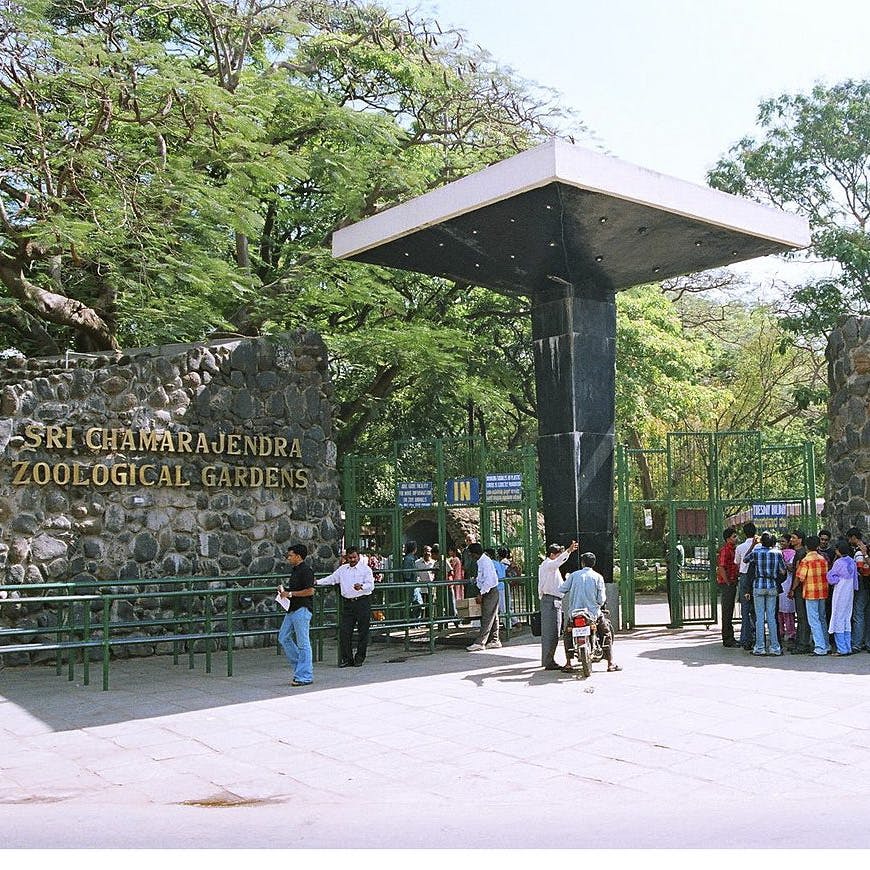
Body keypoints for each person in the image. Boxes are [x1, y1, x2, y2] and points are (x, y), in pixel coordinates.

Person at [558, 551, 620, 672]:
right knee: (605, 633)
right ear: (594, 563)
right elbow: (601, 599)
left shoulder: (574, 575)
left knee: (567, 634)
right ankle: (610, 663)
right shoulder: (598, 577)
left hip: (575, 614)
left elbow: (562, 589)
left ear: (582, 563)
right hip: (593, 614)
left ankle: (568, 663)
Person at [316, 546, 375, 667]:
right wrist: (318, 582)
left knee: (363, 631)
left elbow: (371, 585)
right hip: (348, 603)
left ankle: (359, 657)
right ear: (346, 557)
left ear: (358, 556)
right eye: (350, 557)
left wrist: (362, 586)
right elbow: (332, 579)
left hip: (362, 601)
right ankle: (347, 658)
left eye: (354, 557)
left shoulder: (366, 570)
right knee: (345, 631)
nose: (352, 559)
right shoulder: (342, 570)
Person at [276, 544, 316, 687]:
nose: (288, 558)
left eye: (290, 555)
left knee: (303, 642)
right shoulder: (295, 571)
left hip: (302, 609)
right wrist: (284, 591)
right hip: (293, 609)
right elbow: (296, 589)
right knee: (283, 637)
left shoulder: (306, 571)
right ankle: (301, 668)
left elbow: (310, 591)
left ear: (298, 556)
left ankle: (305, 675)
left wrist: (290, 593)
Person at [537, 540, 578, 670]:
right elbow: (558, 561)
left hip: (554, 601)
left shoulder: (551, 568)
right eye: (558, 554)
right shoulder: (549, 565)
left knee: (554, 632)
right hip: (550, 601)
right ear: (552, 554)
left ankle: (549, 659)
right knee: (551, 632)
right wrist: (569, 551)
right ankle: (548, 661)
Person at [746, 532, 786, 656]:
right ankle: (775, 647)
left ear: (761, 541)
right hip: (772, 585)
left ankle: (759, 647)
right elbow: (783, 570)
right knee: (771, 618)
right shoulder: (777, 553)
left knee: (759, 618)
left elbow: (745, 559)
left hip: (758, 585)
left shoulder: (756, 553)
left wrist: (754, 545)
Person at [792, 535, 830, 656]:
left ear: (806, 547)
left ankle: (819, 647)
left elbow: (800, 577)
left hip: (811, 593)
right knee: (822, 618)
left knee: (813, 620)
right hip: (823, 592)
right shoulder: (823, 559)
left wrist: (792, 589)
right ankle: (826, 644)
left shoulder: (805, 560)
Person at [465, 543, 501, 651]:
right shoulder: (481, 561)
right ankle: (495, 639)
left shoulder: (485, 562)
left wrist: (481, 593)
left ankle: (480, 642)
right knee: (493, 616)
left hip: (489, 591)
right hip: (489, 590)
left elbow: (488, 580)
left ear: (474, 553)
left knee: (487, 617)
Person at [827, 539, 858, 656]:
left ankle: (841, 649)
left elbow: (830, 577)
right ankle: (847, 647)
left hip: (840, 592)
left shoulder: (838, 562)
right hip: (849, 593)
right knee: (846, 618)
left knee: (838, 617)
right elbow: (855, 580)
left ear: (839, 550)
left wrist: (835, 580)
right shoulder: (852, 561)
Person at [734, 522, 759, 650]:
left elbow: (737, 562)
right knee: (757, 609)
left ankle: (745, 638)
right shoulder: (760, 546)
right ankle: (758, 637)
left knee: (745, 609)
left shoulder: (740, 547)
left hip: (744, 577)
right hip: (757, 577)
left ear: (744, 533)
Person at [716, 527, 740, 647]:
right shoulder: (725, 550)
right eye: (734, 536)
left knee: (730, 609)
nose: (736, 538)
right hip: (727, 584)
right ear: (727, 539)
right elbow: (721, 567)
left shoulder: (733, 550)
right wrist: (727, 582)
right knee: (727, 610)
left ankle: (729, 637)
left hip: (732, 581)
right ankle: (727, 638)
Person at [789, 530, 812, 654]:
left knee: (802, 617)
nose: (791, 540)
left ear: (800, 540)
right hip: (802, 587)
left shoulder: (800, 554)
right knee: (802, 616)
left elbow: (798, 574)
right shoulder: (800, 553)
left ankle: (802, 644)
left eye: (794, 537)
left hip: (800, 588)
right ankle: (800, 642)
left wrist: (792, 589)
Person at [847, 528, 870, 652]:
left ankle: (856, 643)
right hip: (867, 585)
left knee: (858, 614)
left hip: (862, 585)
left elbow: (861, 570)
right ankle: (867, 642)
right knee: (866, 614)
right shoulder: (865, 547)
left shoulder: (860, 551)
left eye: (850, 538)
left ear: (854, 537)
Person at [778, 533, 797, 651]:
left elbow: (792, 568)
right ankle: (781, 630)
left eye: (783, 541)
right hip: (781, 582)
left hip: (789, 581)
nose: (781, 544)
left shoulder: (793, 554)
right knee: (780, 609)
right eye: (780, 541)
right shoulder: (778, 553)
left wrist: (784, 565)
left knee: (788, 609)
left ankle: (791, 631)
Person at [414, 545, 436, 617]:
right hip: (421, 587)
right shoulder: (417, 563)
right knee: (421, 605)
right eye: (425, 551)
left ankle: (429, 621)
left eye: (429, 551)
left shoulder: (434, 563)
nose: (427, 553)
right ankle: (421, 621)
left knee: (430, 605)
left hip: (431, 587)